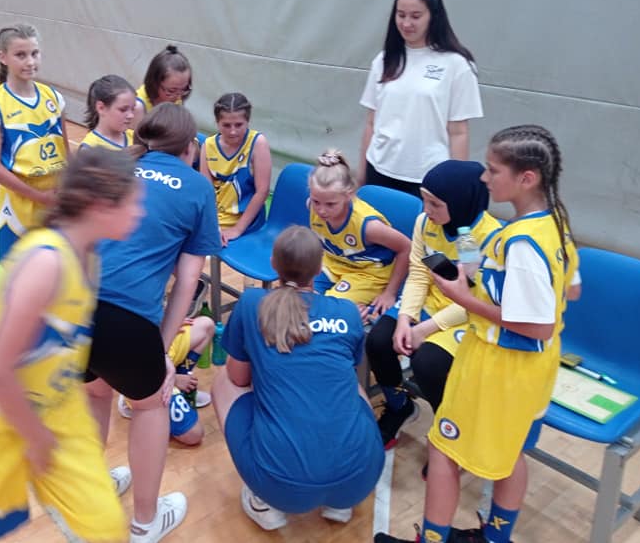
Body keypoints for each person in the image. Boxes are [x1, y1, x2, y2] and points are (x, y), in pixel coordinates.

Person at [0, 147, 144, 543]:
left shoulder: (89, 256)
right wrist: (36, 439)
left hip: (57, 406)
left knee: (107, 528)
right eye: (133, 203)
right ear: (100, 206)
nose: (140, 213)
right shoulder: (46, 263)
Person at [375, 125, 579, 543]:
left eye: (493, 170)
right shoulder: (555, 223)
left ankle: (433, 539)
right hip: (528, 364)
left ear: (527, 178)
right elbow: (570, 289)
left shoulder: (516, 241)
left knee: (443, 448)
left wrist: (464, 298)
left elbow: (536, 323)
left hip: (502, 363)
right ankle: (493, 538)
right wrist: (480, 281)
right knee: (509, 451)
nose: (484, 178)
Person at [84, 103, 222, 543]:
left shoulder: (117, 166)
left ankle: (91, 492)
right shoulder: (197, 187)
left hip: (73, 302)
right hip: (125, 318)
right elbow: (187, 282)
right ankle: (145, 522)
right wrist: (160, 352)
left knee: (95, 393)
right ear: (191, 147)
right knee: (149, 405)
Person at [213, 225, 385, 531]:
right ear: (319, 268)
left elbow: (238, 379)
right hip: (362, 478)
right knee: (351, 385)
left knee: (222, 382)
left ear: (273, 264)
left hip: (282, 488)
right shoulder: (347, 312)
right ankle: (339, 504)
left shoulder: (252, 303)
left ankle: (263, 502)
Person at [364, 160, 501, 450]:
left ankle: (451, 431)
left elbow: (475, 302)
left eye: (435, 204)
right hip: (430, 303)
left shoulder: (485, 238)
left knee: (427, 363)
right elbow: (418, 273)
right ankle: (400, 407)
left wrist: (425, 329)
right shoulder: (425, 223)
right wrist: (406, 319)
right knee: (378, 340)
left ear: (461, 202)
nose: (427, 210)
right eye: (424, 200)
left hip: (468, 316)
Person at [359, 0, 483, 197]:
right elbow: (371, 122)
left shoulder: (457, 64)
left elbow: (458, 132)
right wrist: (361, 175)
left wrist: (456, 186)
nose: (407, 23)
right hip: (379, 170)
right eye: (401, 15)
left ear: (433, 16)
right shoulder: (384, 60)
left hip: (428, 178)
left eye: (416, 16)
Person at [0, 24, 70, 262]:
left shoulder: (54, 97)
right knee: (18, 272)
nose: (30, 61)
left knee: (58, 269)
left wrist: (69, 190)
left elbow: (66, 154)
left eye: (34, 53)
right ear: (3, 57)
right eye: (20, 55)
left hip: (56, 200)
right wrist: (38, 196)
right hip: (20, 203)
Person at [308, 150, 411, 322]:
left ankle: (354, 315)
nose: (321, 210)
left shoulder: (368, 226)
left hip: (366, 273)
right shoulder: (312, 206)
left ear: (349, 195)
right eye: (316, 201)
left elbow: (406, 247)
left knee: (329, 311)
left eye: (331, 204)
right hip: (332, 263)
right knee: (302, 298)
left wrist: (390, 293)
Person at [118, 315, 216, 447]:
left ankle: (180, 392)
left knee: (206, 325)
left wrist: (168, 322)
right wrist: (174, 379)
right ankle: (135, 403)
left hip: (161, 347)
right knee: (194, 434)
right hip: (143, 372)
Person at [200, 92, 272, 246]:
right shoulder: (208, 145)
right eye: (226, 125)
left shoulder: (257, 143)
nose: (233, 131)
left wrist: (237, 229)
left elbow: (262, 191)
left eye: (239, 125)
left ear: (248, 121)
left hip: (245, 220)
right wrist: (212, 225)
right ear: (217, 122)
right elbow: (205, 191)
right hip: (215, 217)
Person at [131, 44, 193, 129]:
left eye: (184, 89)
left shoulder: (177, 99)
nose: (178, 97)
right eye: (171, 91)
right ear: (155, 83)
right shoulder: (138, 107)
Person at [80, 74, 137, 150]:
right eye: (123, 109)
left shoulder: (136, 137)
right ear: (101, 108)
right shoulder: (90, 149)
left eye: (133, 109)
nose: (131, 115)